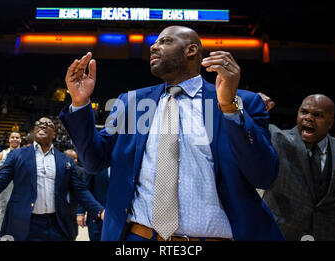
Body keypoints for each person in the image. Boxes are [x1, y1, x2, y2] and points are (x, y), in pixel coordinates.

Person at [59, 25, 283, 241]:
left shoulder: (241, 102)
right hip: (139, 237)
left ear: (191, 50)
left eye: (164, 41)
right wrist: (79, 103)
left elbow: (263, 175)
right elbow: (94, 162)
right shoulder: (132, 103)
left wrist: (230, 108)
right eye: (154, 43)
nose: (153, 47)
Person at [0, 117, 104, 241]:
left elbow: (81, 190)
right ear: (34, 131)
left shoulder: (65, 160)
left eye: (48, 124)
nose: (42, 125)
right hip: (25, 223)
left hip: (57, 224)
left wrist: (100, 210)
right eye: (39, 123)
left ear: (54, 134)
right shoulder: (17, 155)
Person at [258, 92, 335, 241]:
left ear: (330, 123)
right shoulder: (274, 138)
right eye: (304, 112)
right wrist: (249, 106)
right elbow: (237, 134)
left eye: (317, 115)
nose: (309, 117)